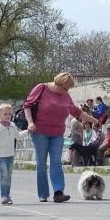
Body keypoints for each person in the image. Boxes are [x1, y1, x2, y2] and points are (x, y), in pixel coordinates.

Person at [24, 72, 98, 203]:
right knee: (41, 162)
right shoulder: (41, 88)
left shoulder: (65, 95)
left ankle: (58, 192)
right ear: (58, 83)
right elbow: (27, 105)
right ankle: (43, 193)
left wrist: (93, 119)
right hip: (40, 131)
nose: (66, 91)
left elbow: (76, 111)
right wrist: (30, 122)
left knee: (56, 162)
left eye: (68, 89)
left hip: (57, 133)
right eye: (65, 88)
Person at [0, 104, 29, 205]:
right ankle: (4, 196)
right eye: (5, 114)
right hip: (1, 156)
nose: (8, 116)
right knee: (4, 175)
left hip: (10, 155)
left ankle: (8, 196)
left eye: (9, 114)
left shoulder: (12, 125)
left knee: (9, 176)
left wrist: (28, 131)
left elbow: (18, 136)